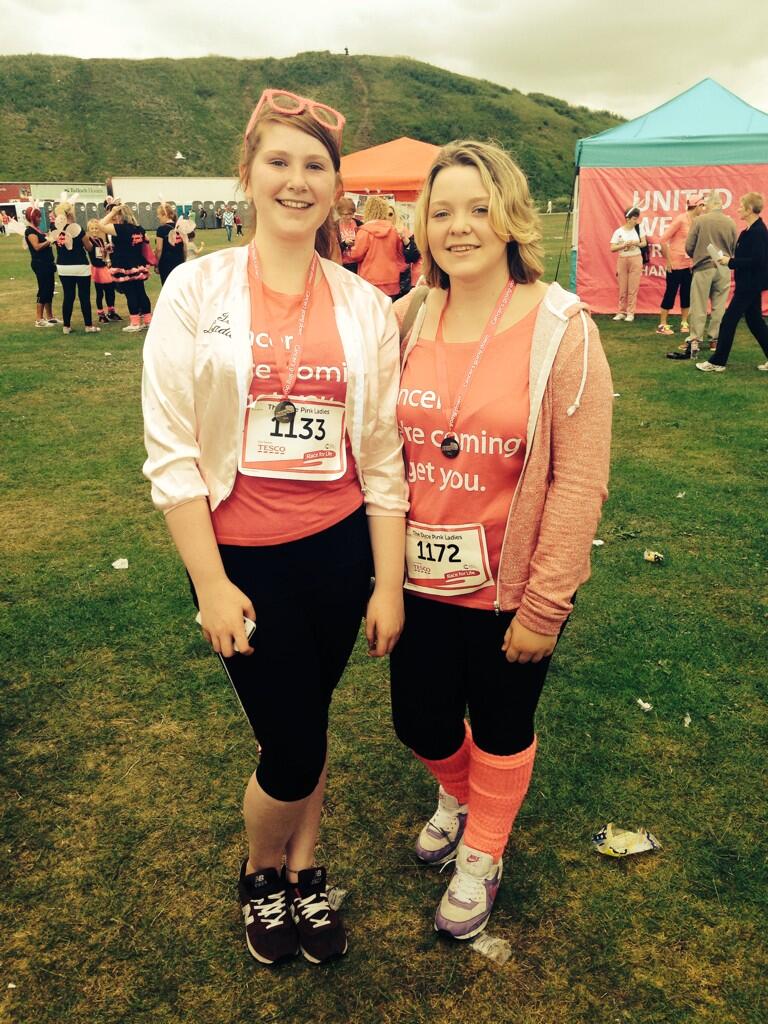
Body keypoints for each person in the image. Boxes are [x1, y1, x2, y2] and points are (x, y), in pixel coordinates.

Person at [141, 86, 408, 967]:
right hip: (242, 558)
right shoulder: (195, 288)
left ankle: (305, 867)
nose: (298, 181)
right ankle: (261, 873)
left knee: (310, 719)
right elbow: (172, 453)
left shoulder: (365, 305)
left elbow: (381, 458)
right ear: (248, 173)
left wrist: (388, 583)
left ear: (336, 186)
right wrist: (211, 584)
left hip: (336, 552)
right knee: (289, 742)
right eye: (280, 162)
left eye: (315, 166)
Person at [390, 139, 613, 940]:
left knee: (501, 723)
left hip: (511, 588)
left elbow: (579, 480)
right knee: (419, 721)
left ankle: (483, 852)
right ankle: (461, 795)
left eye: (479, 209)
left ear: (512, 217)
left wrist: (546, 605)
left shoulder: (562, 328)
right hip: (418, 578)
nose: (460, 227)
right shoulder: (407, 317)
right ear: (424, 225)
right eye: (442, 211)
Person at [696, 192, 768, 373]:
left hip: (750, 285)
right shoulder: (749, 231)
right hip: (748, 284)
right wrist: (727, 261)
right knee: (755, 322)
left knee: (728, 321)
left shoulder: (758, 232)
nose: (738, 209)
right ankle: (718, 361)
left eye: (741, 206)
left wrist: (731, 262)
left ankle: (718, 361)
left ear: (749, 209)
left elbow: (758, 261)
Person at [684, 192, 737, 356]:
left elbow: (689, 246)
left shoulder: (700, 221)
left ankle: (695, 340)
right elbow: (734, 246)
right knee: (719, 306)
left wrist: (697, 255)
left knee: (698, 305)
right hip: (724, 268)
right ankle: (715, 339)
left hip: (703, 267)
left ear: (709, 205)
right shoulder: (730, 222)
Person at [99, 204, 152, 332]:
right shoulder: (139, 228)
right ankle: (148, 320)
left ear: (120, 215)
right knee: (141, 292)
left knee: (130, 293)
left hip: (124, 265)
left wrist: (112, 212)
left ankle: (135, 323)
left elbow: (100, 224)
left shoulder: (120, 228)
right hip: (138, 264)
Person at [659, 194, 704, 343]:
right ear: (696, 206)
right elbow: (663, 240)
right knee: (670, 293)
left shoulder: (697, 221)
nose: (703, 209)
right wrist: (668, 261)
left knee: (686, 294)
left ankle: (684, 322)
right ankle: (662, 324)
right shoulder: (680, 219)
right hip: (675, 264)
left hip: (688, 265)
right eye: (702, 206)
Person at [53, 201, 99, 335]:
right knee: (84, 296)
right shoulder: (77, 228)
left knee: (68, 296)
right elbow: (89, 247)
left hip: (63, 265)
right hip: (80, 265)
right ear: (70, 213)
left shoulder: (56, 229)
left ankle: (66, 326)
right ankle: (88, 325)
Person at [347, 195, 406, 297]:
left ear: (368, 210)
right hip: (391, 280)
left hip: (370, 281)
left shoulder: (365, 231)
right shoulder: (394, 230)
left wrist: (348, 250)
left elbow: (356, 255)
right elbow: (400, 255)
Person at [23, 206, 58, 327]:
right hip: (40, 264)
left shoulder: (37, 230)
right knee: (43, 289)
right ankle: (39, 319)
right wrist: (49, 240)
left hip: (47, 263)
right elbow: (37, 247)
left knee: (49, 290)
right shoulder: (30, 231)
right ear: (33, 217)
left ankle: (50, 317)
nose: (40, 219)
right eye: (38, 217)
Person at [609, 206, 646, 322]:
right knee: (622, 287)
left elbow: (644, 243)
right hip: (622, 259)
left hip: (636, 258)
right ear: (628, 219)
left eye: (637, 219)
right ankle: (621, 312)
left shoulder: (639, 228)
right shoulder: (618, 232)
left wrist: (636, 243)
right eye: (634, 219)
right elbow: (612, 248)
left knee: (633, 288)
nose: (636, 221)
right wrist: (624, 245)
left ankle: (630, 312)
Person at [86, 219, 121, 323]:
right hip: (97, 269)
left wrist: (107, 254)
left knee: (110, 290)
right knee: (100, 292)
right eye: (92, 228)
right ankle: (101, 314)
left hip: (104, 267)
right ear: (89, 229)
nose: (95, 230)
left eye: (96, 228)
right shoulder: (89, 240)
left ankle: (111, 311)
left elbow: (103, 254)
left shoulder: (100, 240)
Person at [154, 202, 186, 285]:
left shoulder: (161, 229)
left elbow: (159, 249)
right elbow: (185, 247)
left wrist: (156, 264)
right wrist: (184, 260)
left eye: (159, 214)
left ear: (164, 215)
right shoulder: (179, 227)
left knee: (168, 287)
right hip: (179, 262)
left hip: (166, 264)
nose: (157, 217)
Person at [335, 195, 360, 272]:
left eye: (351, 214)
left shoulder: (359, 224)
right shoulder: (334, 227)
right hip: (341, 264)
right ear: (339, 213)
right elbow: (333, 249)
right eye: (345, 214)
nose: (349, 217)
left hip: (357, 263)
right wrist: (344, 243)